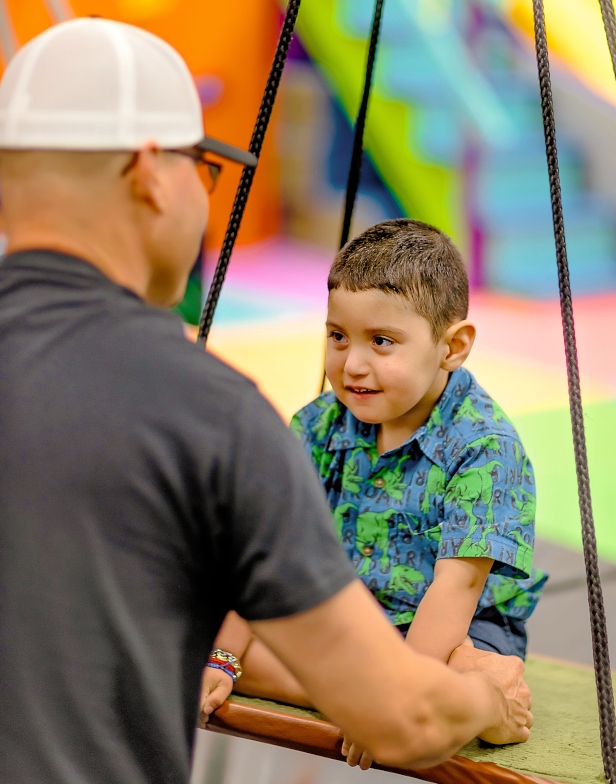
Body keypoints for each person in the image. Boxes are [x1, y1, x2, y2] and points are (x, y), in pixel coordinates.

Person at [0, 19, 532, 784]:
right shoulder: (206, 415)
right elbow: (406, 715)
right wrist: (485, 697)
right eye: (207, 172)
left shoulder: (471, 445)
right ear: (152, 173)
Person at [200, 221, 547, 769]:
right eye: (338, 336)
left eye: (381, 342)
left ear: (452, 347)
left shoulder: (485, 448)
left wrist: (394, 701)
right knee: (207, 632)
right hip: (356, 617)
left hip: (455, 623)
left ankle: (453, 695)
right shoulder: (316, 428)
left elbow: (458, 587)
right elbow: (268, 555)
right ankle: (437, 700)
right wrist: (221, 661)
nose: (352, 363)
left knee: (463, 668)